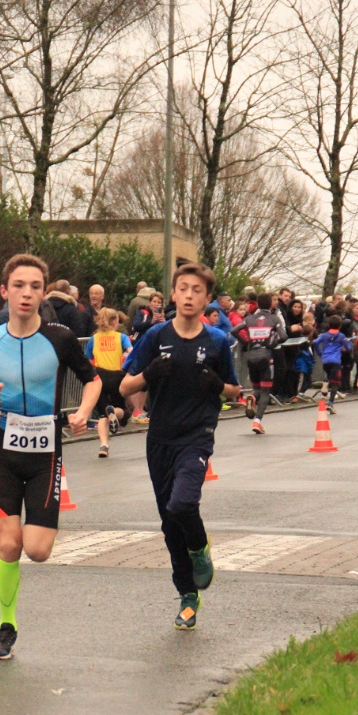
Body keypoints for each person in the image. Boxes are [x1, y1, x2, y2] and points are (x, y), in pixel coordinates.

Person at [0, 253, 101, 660]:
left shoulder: (60, 338)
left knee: (36, 550)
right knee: (8, 544)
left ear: (43, 293)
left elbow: (92, 380)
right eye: (19, 286)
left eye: (35, 287)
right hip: (4, 451)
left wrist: (84, 412)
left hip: (46, 454)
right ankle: (6, 626)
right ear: (4, 291)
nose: (26, 293)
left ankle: (35, 530)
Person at [120, 261, 239, 631]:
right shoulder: (155, 336)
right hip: (160, 438)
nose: (189, 295)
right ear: (173, 294)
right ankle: (188, 596)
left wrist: (218, 386)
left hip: (197, 435)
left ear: (207, 299)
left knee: (182, 503)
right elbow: (124, 386)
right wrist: (148, 375)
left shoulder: (217, 341)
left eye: (197, 291)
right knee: (170, 524)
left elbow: (235, 391)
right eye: (183, 288)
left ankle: (200, 548)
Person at [231, 293, 286, 434]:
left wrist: (246, 342)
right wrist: (272, 344)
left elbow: (234, 330)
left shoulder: (249, 318)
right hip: (266, 357)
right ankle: (257, 421)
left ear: (257, 304)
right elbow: (284, 336)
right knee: (266, 391)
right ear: (270, 304)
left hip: (251, 356)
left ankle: (252, 397)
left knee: (257, 388)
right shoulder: (274, 318)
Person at [84, 307, 132, 457]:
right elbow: (131, 352)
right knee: (123, 411)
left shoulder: (94, 338)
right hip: (117, 376)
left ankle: (104, 446)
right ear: (115, 321)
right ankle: (114, 412)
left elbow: (88, 358)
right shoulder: (121, 337)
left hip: (99, 377)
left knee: (102, 415)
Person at [312, 315, 352, 413]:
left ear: (329, 325)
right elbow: (348, 349)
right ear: (340, 325)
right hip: (336, 361)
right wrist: (347, 343)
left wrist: (320, 353)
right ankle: (330, 403)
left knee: (330, 377)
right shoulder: (341, 336)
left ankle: (325, 385)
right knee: (335, 383)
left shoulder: (324, 335)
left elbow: (316, 342)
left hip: (325, 361)